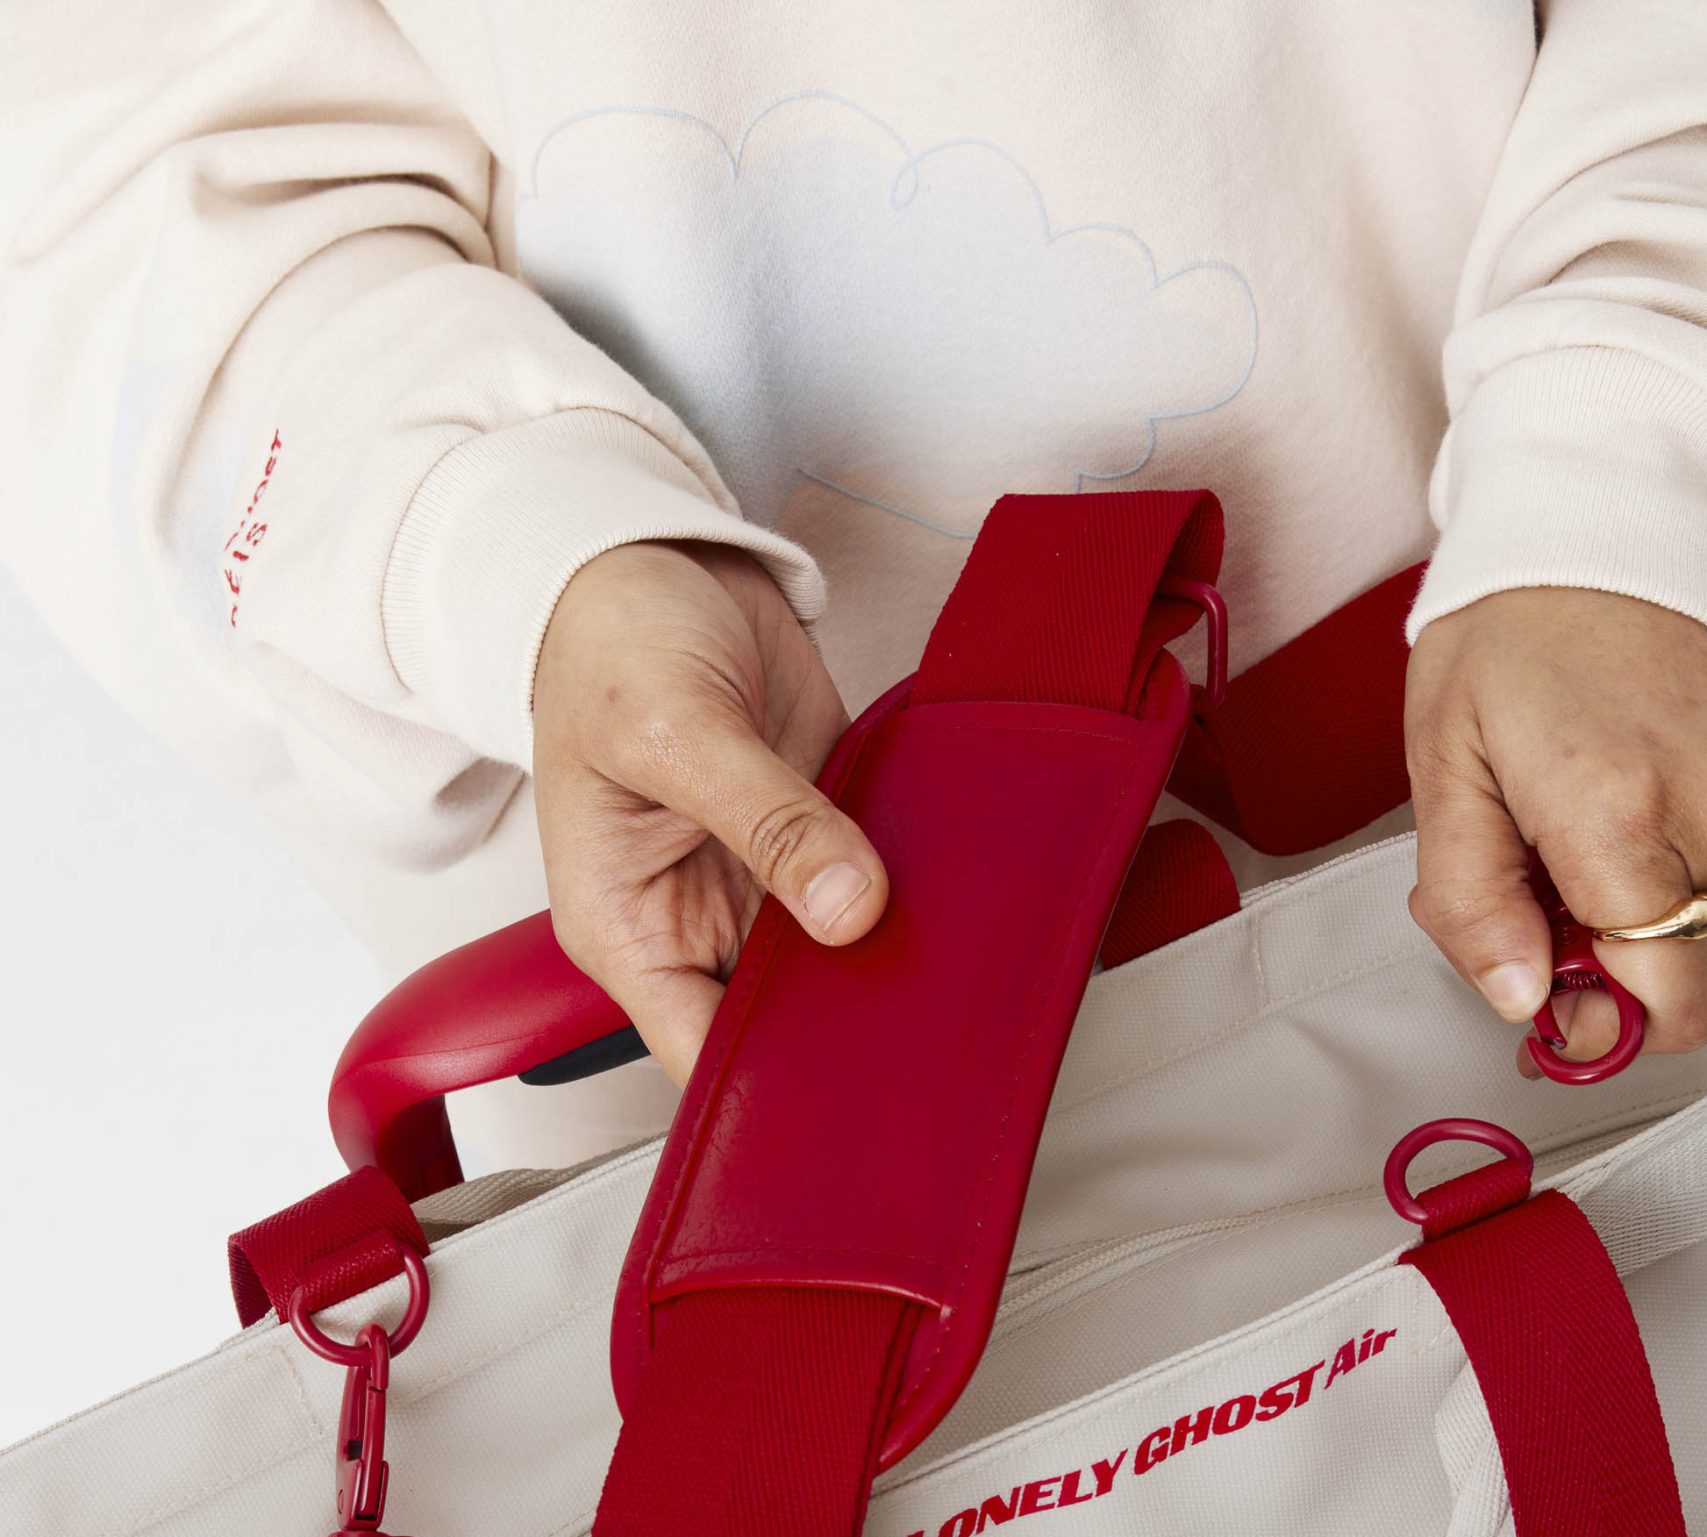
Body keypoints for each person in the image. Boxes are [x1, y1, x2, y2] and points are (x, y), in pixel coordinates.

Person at [3, 2, 1705, 1159]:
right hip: (725, 957)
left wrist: (1621, 463)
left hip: (1584, 762)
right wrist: (530, 557)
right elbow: (137, 209)